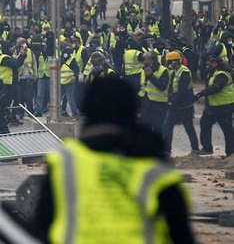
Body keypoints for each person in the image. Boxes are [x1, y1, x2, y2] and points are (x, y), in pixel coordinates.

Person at [28, 77, 193, 243]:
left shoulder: (65, 163)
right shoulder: (155, 169)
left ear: (86, 110)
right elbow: (181, 234)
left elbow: (40, 227)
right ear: (133, 110)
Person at [195, 56, 234, 156]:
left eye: (210, 62)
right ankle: (208, 148)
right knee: (205, 123)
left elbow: (215, 88)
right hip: (214, 106)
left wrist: (201, 94)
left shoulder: (222, 74)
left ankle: (230, 152)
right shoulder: (214, 73)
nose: (208, 64)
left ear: (216, 63)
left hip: (224, 107)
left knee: (227, 130)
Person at [163, 51, 199, 156]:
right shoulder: (172, 72)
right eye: (169, 61)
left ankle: (195, 149)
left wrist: (172, 101)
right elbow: (170, 88)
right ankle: (167, 149)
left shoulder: (184, 71)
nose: (171, 63)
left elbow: (182, 89)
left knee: (189, 127)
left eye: (172, 61)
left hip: (185, 105)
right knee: (168, 127)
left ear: (178, 61)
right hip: (175, 105)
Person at [138, 51, 169, 136]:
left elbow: (162, 86)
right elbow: (142, 86)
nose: (145, 61)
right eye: (144, 59)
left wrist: (151, 76)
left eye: (148, 59)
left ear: (154, 60)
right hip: (146, 103)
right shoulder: (143, 69)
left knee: (158, 128)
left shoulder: (163, 70)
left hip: (159, 104)